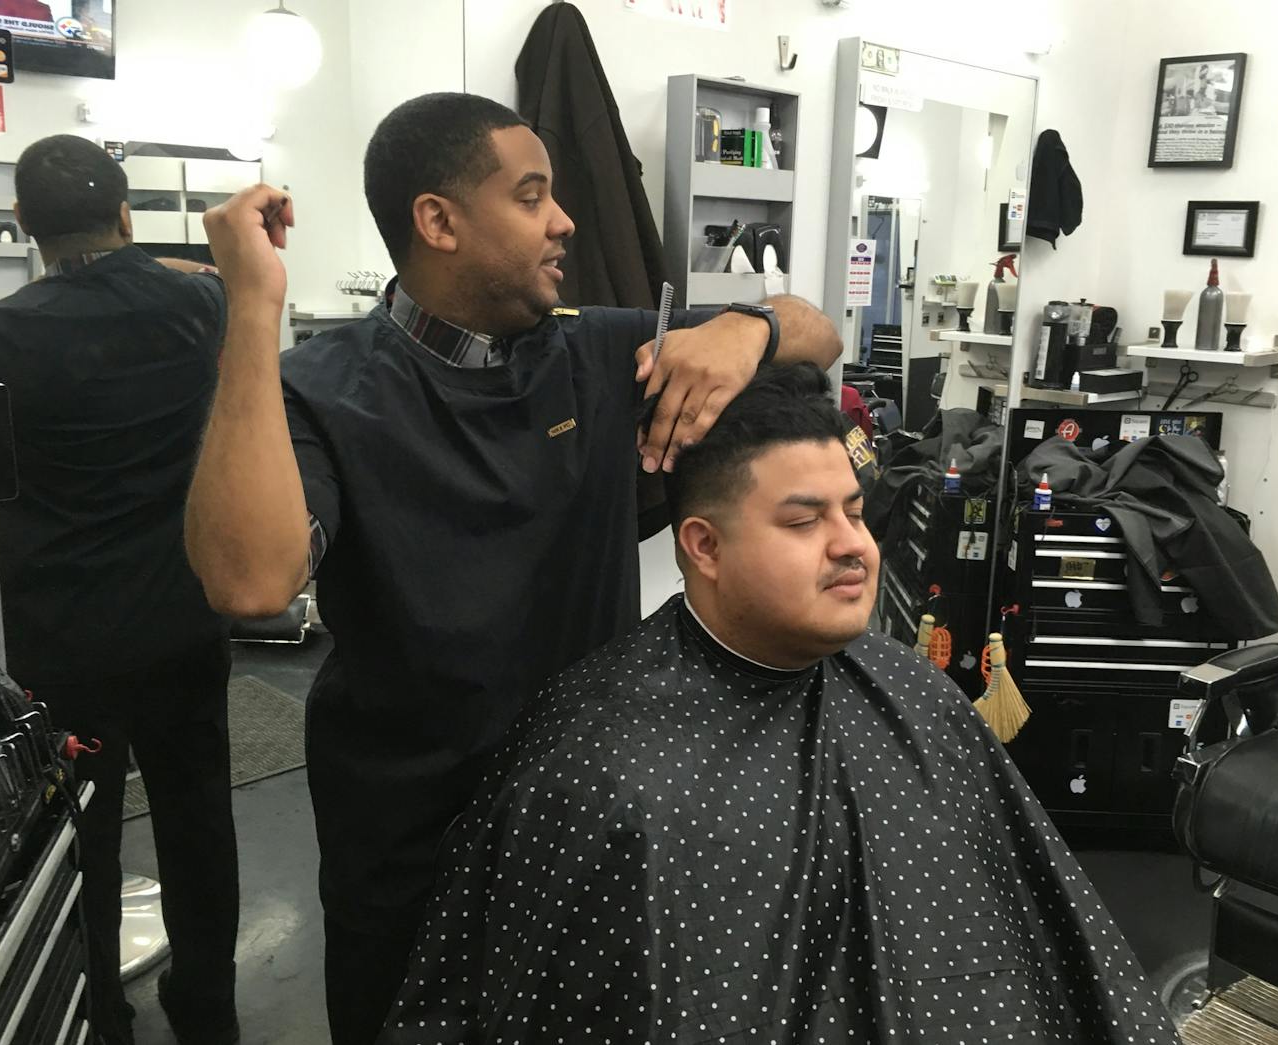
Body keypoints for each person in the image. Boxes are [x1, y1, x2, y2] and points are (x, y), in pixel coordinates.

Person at [186, 92, 841, 1043]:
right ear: (438, 222)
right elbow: (247, 581)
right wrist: (252, 307)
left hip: (586, 819)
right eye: (532, 197)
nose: (565, 220)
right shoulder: (326, 390)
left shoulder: (600, 352)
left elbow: (815, 332)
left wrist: (749, 328)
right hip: (407, 834)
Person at [380, 364, 1179, 1045]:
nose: (853, 545)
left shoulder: (913, 694)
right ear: (705, 546)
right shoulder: (601, 763)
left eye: (856, 511)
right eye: (804, 519)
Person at [0, 135, 239, 1045]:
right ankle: (210, 1005)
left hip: (63, 632)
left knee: (82, 833)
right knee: (198, 813)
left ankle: (104, 1012)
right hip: (184, 608)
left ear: (24, 226)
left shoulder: (2, 334)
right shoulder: (200, 301)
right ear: (128, 212)